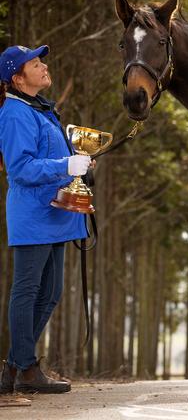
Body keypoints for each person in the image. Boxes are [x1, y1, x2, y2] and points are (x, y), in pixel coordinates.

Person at [0, 45, 91, 395]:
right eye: (36, 64)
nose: (44, 66)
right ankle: (25, 368)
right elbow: (21, 168)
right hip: (34, 215)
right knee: (27, 291)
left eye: (42, 61)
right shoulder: (14, 113)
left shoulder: (40, 109)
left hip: (55, 213)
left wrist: (78, 163)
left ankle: (14, 367)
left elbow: (50, 157)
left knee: (50, 293)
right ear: (18, 78)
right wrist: (65, 166)